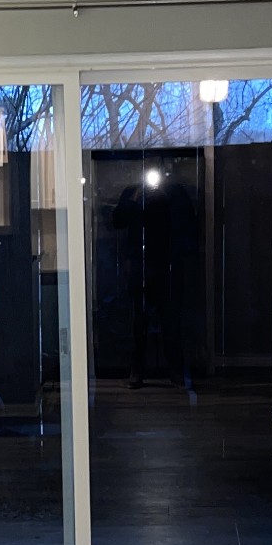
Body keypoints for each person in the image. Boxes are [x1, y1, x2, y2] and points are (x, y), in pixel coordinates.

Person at [111, 162, 199, 387]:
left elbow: (188, 222)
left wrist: (164, 198)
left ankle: (175, 370)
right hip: (140, 266)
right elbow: (117, 221)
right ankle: (136, 370)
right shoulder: (133, 192)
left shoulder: (174, 192)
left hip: (168, 265)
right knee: (138, 322)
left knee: (171, 321)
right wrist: (135, 199)